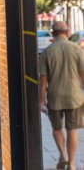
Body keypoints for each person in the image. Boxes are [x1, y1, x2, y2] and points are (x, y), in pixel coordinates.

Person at [39, 21, 84, 170]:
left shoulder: (47, 51)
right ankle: (71, 164)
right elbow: (83, 74)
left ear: (53, 33)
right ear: (67, 32)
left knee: (57, 127)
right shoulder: (77, 49)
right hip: (74, 96)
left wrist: (41, 100)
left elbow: (43, 79)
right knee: (72, 130)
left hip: (54, 96)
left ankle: (62, 155)